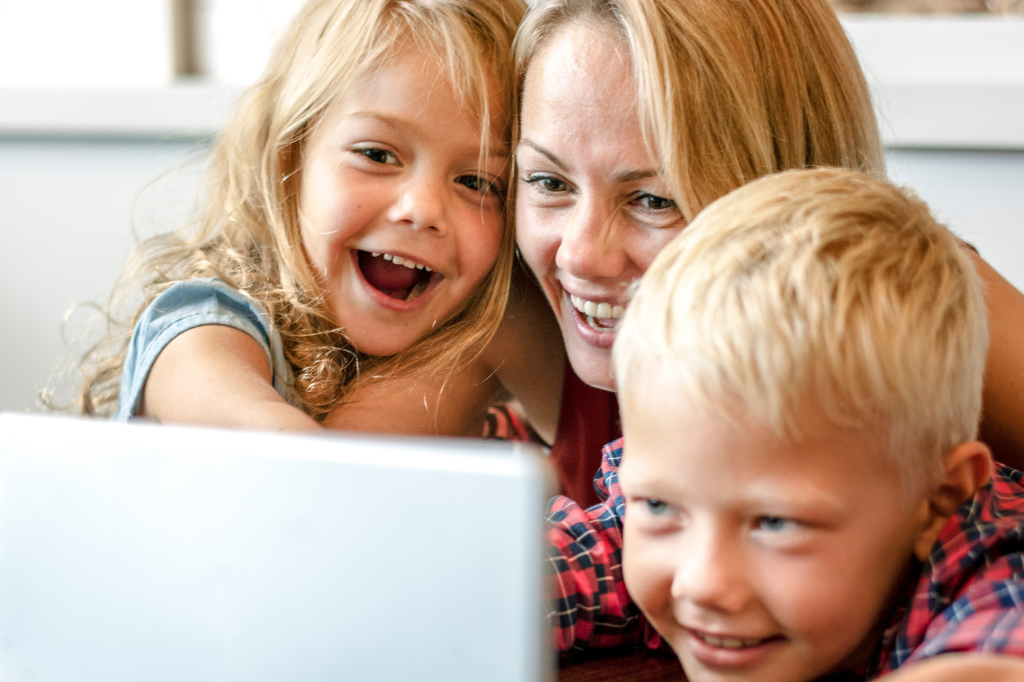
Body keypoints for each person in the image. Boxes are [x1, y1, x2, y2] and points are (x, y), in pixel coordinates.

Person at [511, 0, 1024, 506]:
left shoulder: (912, 305)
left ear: (784, 183)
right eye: (548, 181)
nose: (579, 256)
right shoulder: (518, 305)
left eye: (654, 201)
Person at [548, 167, 1024, 681]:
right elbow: (521, 573)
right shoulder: (690, 498)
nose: (701, 583)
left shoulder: (994, 568)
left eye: (776, 522)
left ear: (938, 499)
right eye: (660, 504)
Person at [74, 0, 530, 435]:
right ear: (289, 158)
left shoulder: (476, 342)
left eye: (477, 182)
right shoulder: (207, 329)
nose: (424, 209)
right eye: (376, 154)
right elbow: (278, 452)